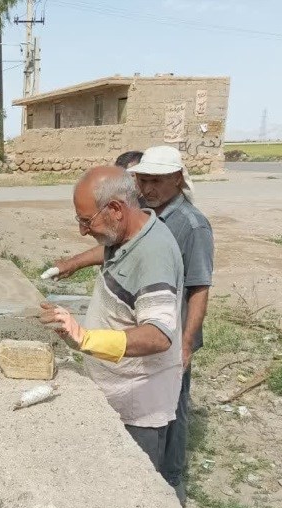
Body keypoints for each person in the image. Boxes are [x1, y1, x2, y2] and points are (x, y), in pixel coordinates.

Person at [40, 166, 183, 471]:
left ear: (116, 209)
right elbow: (108, 249)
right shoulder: (128, 231)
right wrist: (73, 263)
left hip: (138, 404)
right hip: (115, 388)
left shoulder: (154, 253)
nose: (82, 231)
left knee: (135, 482)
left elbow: (158, 336)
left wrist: (86, 338)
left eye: (85, 221)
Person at [128, 146, 214, 504]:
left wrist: (187, 343)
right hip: (151, 331)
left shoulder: (191, 225)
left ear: (177, 179)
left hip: (175, 334)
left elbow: (199, 289)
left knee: (174, 410)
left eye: (156, 181)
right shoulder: (148, 214)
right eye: (143, 180)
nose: (148, 188)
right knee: (149, 404)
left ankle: (172, 485)